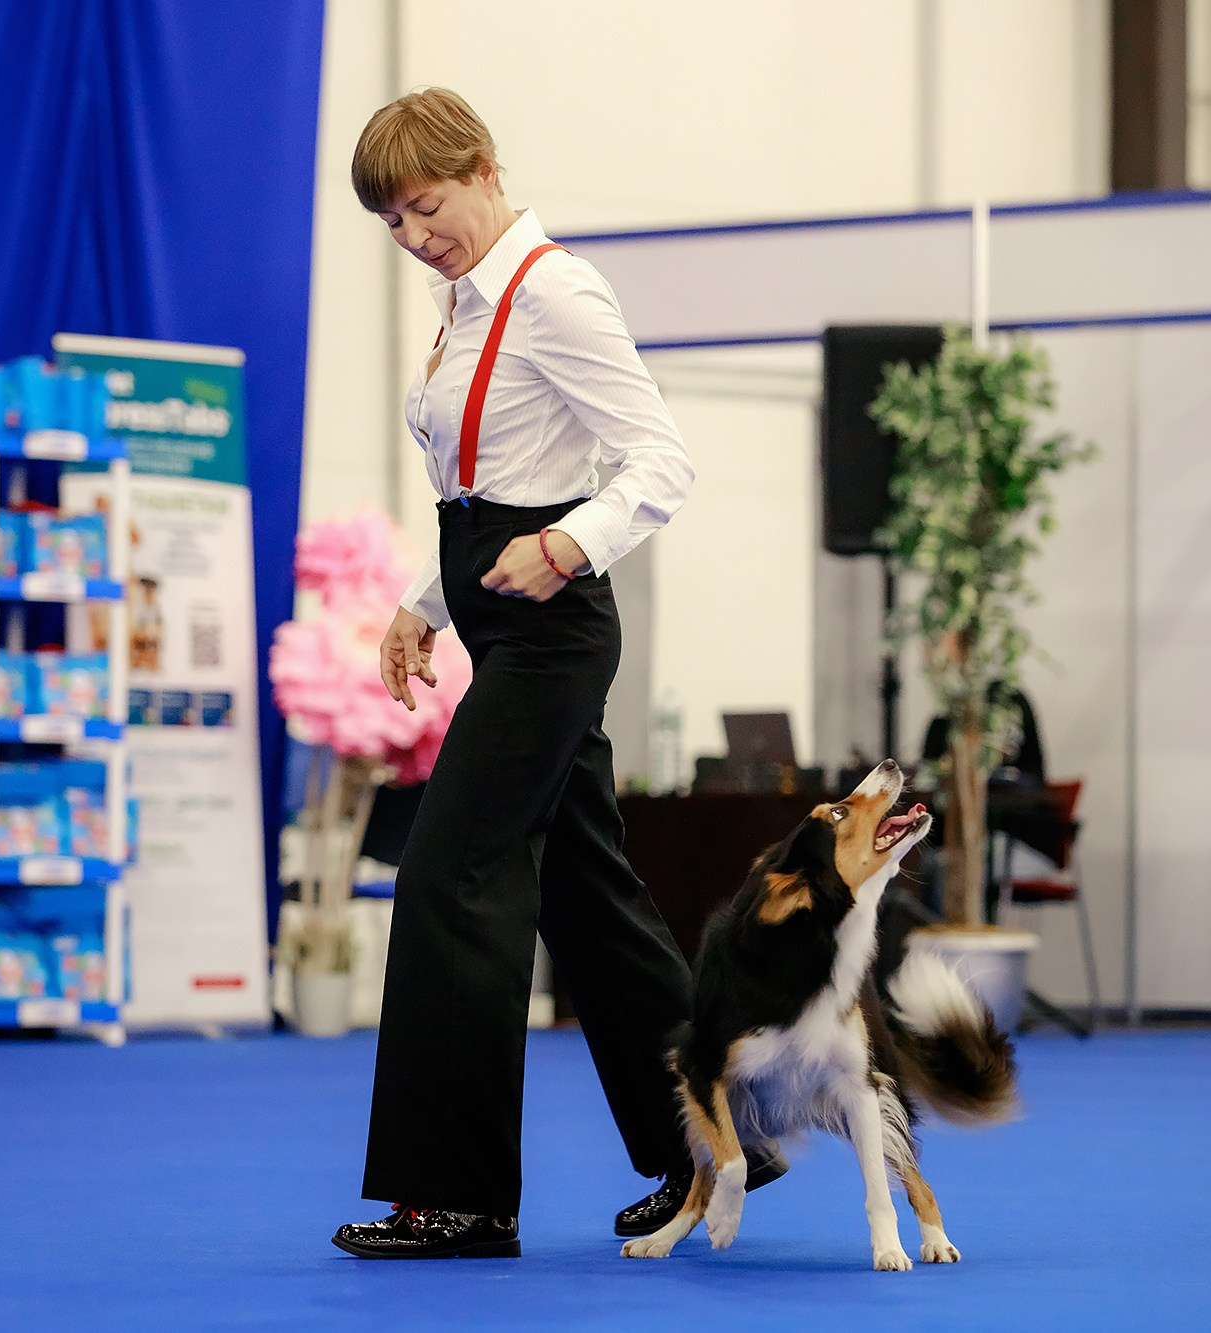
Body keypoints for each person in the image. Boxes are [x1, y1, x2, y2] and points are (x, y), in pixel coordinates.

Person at [330, 88, 777, 1260]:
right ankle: (714, 1145)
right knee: (584, 893)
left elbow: (658, 461)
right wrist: (422, 607)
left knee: (449, 873)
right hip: (496, 610)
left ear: (480, 168)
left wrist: (571, 542)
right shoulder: (460, 308)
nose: (416, 235)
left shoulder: (556, 293)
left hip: (554, 628)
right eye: (392, 223)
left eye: (426, 206)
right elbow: (481, 500)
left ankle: (460, 1195)